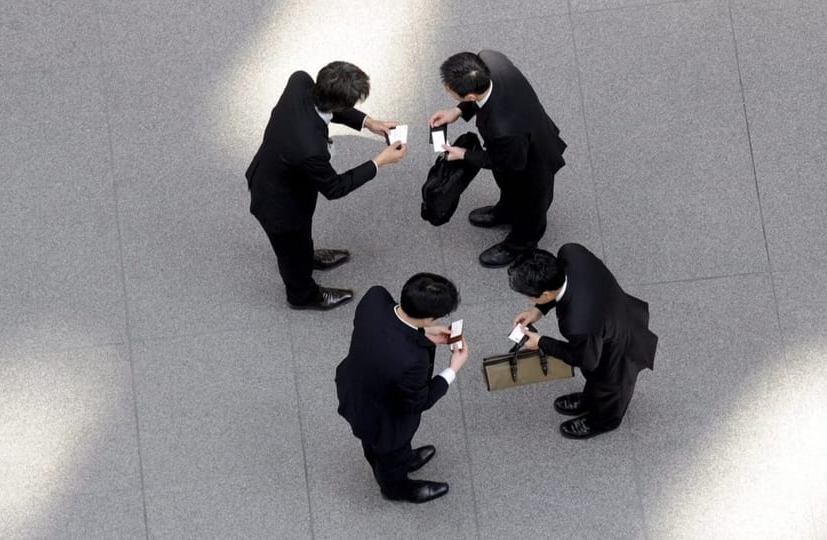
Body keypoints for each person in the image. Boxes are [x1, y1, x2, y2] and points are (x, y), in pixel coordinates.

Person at [247, 61, 407, 311]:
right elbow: (335, 188)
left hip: (275, 176)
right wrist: (379, 161)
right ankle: (302, 295)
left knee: (299, 242)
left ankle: (307, 257)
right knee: (290, 251)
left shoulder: (300, 82)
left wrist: (369, 122)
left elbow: (330, 107)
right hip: (280, 205)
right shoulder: (311, 149)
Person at [335, 273, 469, 503]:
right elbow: (419, 401)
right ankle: (395, 488)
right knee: (389, 450)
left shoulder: (375, 297)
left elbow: (388, 328)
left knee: (376, 443)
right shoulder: (412, 360)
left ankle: (403, 458)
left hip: (354, 388)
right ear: (429, 317)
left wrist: (422, 332)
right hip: (383, 417)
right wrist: (452, 369)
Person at [429, 51, 567, 268]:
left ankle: (520, 244)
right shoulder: (491, 59)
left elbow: (508, 163)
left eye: (451, 92)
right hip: (521, 140)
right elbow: (483, 96)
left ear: (471, 96)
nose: (447, 89)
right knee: (509, 188)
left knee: (531, 207)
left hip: (531, 165)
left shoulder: (503, 127)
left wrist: (463, 154)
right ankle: (507, 210)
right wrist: (457, 111)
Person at [508, 244, 658, 439]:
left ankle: (605, 420)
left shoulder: (578, 322)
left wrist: (541, 342)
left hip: (621, 351)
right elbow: (564, 288)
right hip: (618, 316)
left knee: (611, 388)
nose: (528, 299)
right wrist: (538, 310)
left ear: (545, 294)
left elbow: (585, 359)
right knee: (598, 383)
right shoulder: (571, 252)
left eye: (528, 297)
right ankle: (590, 400)